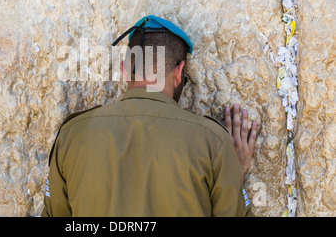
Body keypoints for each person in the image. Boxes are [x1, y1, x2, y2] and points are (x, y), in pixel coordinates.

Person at [41, 15, 258, 217]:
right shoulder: (213, 142)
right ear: (180, 71)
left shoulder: (72, 136)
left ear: (125, 70)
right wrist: (232, 175)